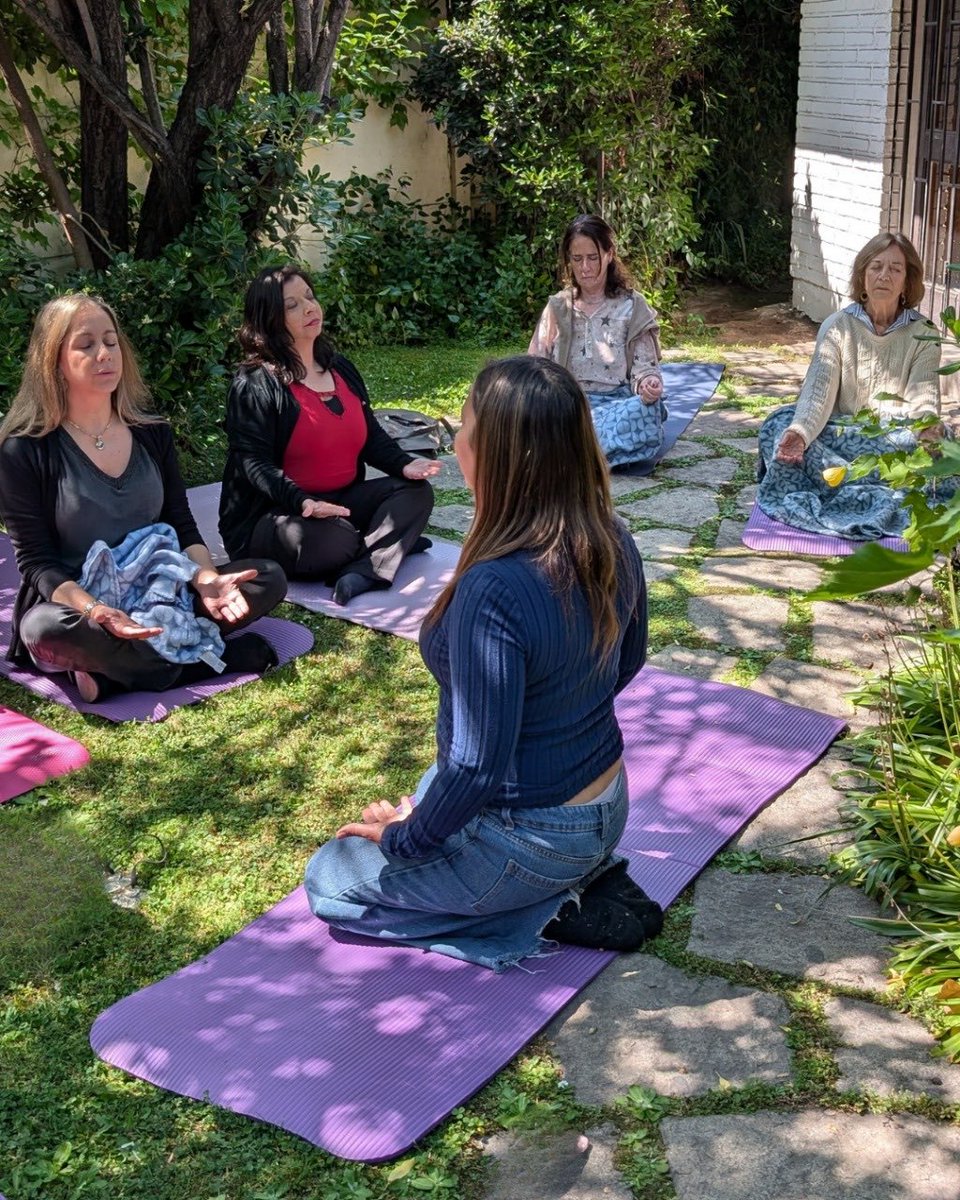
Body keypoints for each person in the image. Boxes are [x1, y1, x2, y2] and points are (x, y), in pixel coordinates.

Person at [304, 356, 663, 972]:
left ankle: (544, 908)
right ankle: (544, 874)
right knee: (431, 789)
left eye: (462, 424)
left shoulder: (494, 588)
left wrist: (406, 840)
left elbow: (475, 767)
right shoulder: (612, 533)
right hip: (607, 805)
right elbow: (626, 663)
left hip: (537, 836)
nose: (456, 437)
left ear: (495, 454)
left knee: (328, 881)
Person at [0, 294, 286, 703]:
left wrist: (206, 579)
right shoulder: (25, 450)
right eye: (86, 344)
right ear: (54, 362)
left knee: (268, 576)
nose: (104, 354)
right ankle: (203, 659)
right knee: (42, 629)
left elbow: (180, 523)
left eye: (111, 342)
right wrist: (97, 611)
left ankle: (121, 672)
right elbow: (37, 564)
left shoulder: (152, 433)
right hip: (82, 605)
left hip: (162, 589)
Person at [219, 265, 440, 606]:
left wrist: (404, 464)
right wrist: (303, 501)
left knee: (415, 494)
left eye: (309, 296)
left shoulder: (340, 368)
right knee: (327, 540)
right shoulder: (255, 384)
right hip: (282, 515)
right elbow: (254, 464)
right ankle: (387, 547)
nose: (310, 307)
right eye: (291, 305)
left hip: (340, 503)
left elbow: (369, 436)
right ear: (269, 319)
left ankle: (366, 566)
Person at [757, 232, 944, 538]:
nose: (884, 275)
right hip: (841, 434)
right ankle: (870, 484)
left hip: (895, 438)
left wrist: (927, 425)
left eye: (896, 269)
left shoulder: (923, 332)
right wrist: (800, 433)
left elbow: (923, 392)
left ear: (908, 280)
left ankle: (845, 485)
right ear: (862, 275)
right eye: (876, 267)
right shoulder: (838, 326)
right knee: (779, 426)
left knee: (945, 444)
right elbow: (818, 393)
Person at [529, 214, 666, 470]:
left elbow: (645, 369)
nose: (585, 268)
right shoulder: (558, 307)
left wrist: (649, 384)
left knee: (645, 410)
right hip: (568, 405)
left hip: (618, 405)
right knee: (536, 418)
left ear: (609, 254)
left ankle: (571, 453)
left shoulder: (632, 306)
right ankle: (590, 452)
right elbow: (534, 365)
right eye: (577, 259)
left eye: (593, 257)